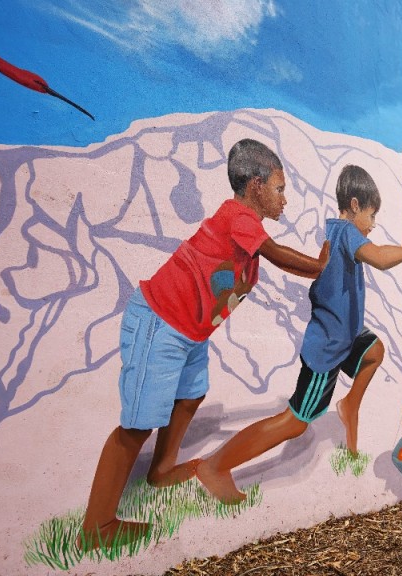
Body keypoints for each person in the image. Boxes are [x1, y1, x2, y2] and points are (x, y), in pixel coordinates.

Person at [78, 138, 330, 550]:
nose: (284, 199)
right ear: (255, 186)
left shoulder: (244, 226)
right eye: (279, 189)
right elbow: (277, 255)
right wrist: (320, 266)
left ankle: (161, 470)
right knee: (138, 424)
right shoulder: (238, 216)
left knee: (191, 396)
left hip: (190, 332)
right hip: (160, 321)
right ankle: (97, 525)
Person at [197, 164, 402, 504]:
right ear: (355, 205)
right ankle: (215, 466)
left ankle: (349, 406)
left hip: (346, 336)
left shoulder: (338, 233)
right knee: (295, 422)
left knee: (374, 351)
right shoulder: (346, 233)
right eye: (372, 215)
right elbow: (378, 257)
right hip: (328, 349)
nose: (373, 225)